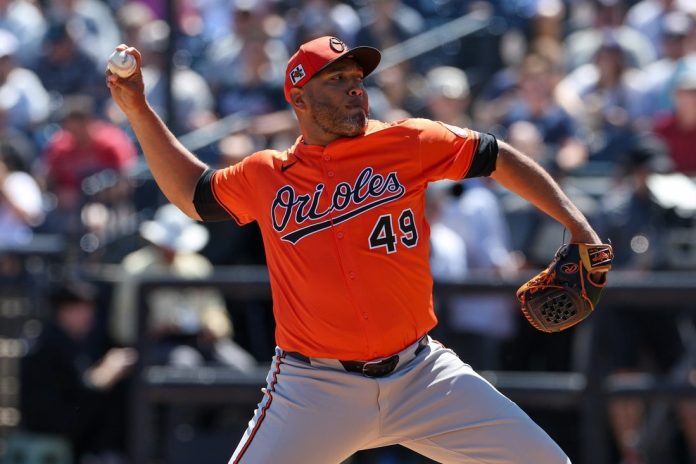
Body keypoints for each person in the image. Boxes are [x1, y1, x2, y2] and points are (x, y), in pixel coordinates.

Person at [107, 36, 604, 464]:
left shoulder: (408, 141)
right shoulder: (267, 174)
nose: (355, 88)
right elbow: (193, 193)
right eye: (337, 79)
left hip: (422, 374)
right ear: (298, 98)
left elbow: (497, 156)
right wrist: (138, 109)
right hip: (314, 388)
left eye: (357, 78)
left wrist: (580, 228)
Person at [110, 203, 257, 370]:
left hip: (199, 340)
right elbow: (122, 327)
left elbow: (216, 312)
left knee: (242, 366)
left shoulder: (199, 266)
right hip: (155, 344)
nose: (171, 250)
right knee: (186, 363)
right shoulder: (135, 269)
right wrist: (155, 329)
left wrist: (213, 327)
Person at [20, 280, 137, 464]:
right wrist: (106, 373)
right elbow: (71, 406)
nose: (89, 317)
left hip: (69, 431)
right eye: (83, 310)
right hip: (56, 434)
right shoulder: (48, 344)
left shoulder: (72, 340)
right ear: (65, 311)